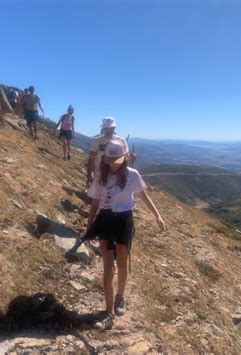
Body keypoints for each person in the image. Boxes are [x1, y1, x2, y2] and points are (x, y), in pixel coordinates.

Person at [85, 139, 166, 330]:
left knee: (121, 262)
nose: (113, 164)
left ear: (123, 159)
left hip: (124, 221)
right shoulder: (100, 177)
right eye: (111, 160)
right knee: (107, 266)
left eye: (116, 160)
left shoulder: (132, 175)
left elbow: (144, 196)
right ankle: (109, 311)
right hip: (105, 220)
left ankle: (120, 296)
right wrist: (89, 228)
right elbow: (94, 204)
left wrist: (158, 216)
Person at [86, 117, 128, 187]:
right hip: (100, 173)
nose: (108, 130)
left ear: (114, 128)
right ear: (103, 128)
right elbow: (91, 159)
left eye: (110, 128)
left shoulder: (121, 140)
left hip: (117, 173)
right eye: (106, 128)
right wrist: (89, 175)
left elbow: (126, 157)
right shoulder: (97, 140)